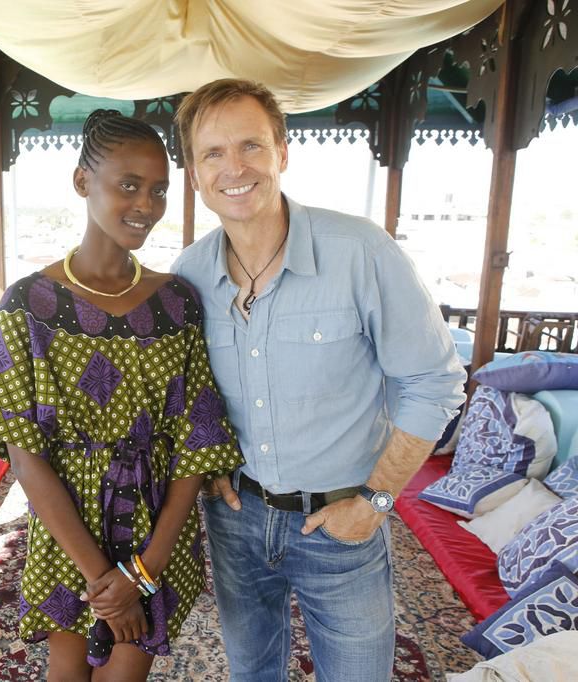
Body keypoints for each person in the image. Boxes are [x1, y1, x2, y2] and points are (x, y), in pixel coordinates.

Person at [170, 79, 467, 681]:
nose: (235, 168)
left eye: (251, 146)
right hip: (236, 520)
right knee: (252, 673)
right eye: (213, 153)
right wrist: (209, 466)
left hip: (342, 523)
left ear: (282, 152)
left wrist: (376, 501)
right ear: (195, 174)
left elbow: (434, 384)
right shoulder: (189, 273)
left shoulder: (361, 251)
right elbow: (191, 393)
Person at [0, 109, 244, 681]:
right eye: (129, 185)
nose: (146, 205)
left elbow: (197, 445)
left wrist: (142, 573)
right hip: (68, 534)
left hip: (154, 533)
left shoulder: (176, 303)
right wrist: (101, 578)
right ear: (82, 181)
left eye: (158, 190)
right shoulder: (28, 305)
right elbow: (25, 458)